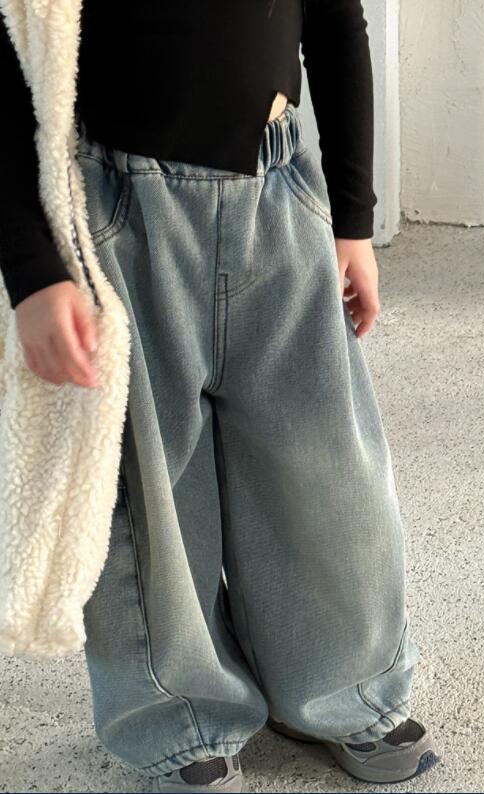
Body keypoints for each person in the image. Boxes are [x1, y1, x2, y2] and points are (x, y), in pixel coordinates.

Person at [0, 2, 440, 792]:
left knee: (324, 468)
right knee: (152, 493)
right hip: (117, 207)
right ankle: (181, 715)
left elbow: (335, 25)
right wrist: (33, 270)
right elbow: (6, 48)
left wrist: (351, 220)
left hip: (278, 191)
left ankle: (342, 686)